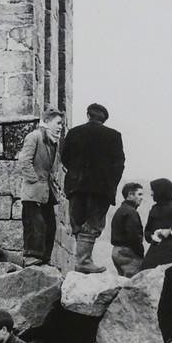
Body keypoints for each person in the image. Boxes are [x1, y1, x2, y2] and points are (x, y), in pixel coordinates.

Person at [60, 102, 125, 273]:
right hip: (101, 189)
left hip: (76, 186)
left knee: (78, 222)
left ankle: (82, 261)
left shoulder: (74, 132)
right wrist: (111, 183)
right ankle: (84, 261)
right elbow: (119, 165)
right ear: (104, 119)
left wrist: (75, 173)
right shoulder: (113, 136)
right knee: (92, 224)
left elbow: (64, 157)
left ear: (88, 115)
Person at [18, 108, 64, 266]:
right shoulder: (34, 136)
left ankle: (44, 258)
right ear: (47, 121)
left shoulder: (53, 143)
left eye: (62, 124)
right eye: (58, 123)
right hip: (33, 192)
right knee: (35, 224)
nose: (60, 127)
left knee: (50, 226)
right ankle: (31, 258)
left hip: (46, 193)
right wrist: (35, 181)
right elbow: (24, 161)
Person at [110, 182, 145, 277]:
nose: (142, 198)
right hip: (127, 252)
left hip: (117, 251)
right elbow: (134, 236)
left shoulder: (121, 210)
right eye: (139, 194)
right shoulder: (131, 212)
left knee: (124, 282)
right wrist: (141, 254)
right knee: (133, 283)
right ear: (130, 194)